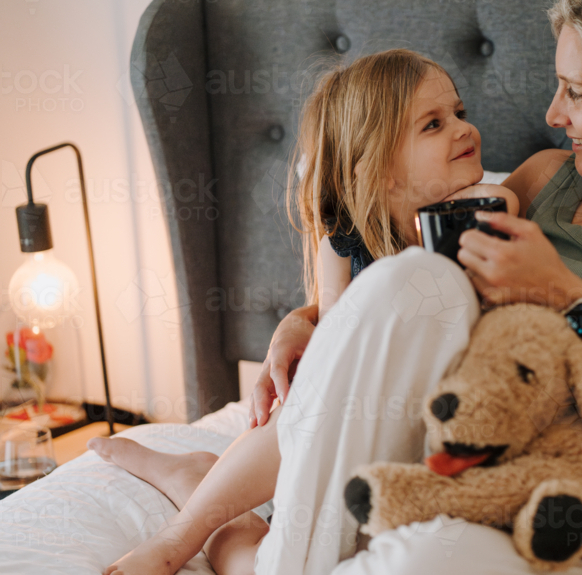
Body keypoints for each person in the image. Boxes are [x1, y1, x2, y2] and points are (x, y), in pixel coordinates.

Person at [93, 0, 582, 575]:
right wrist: (308, 318)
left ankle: (237, 536)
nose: (552, 113)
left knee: (426, 559)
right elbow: (407, 294)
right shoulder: (544, 180)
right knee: (432, 279)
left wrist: (567, 295)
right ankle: (217, 529)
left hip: (568, 484)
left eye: (575, 91)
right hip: (448, 442)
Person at [89, 47, 517, 575]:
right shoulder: (344, 244)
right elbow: (330, 366)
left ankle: (195, 477)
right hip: (332, 435)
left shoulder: (494, 203)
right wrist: (302, 323)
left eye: (460, 112)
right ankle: (177, 535)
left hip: (425, 437)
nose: (462, 129)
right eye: (433, 124)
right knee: (264, 516)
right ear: (377, 169)